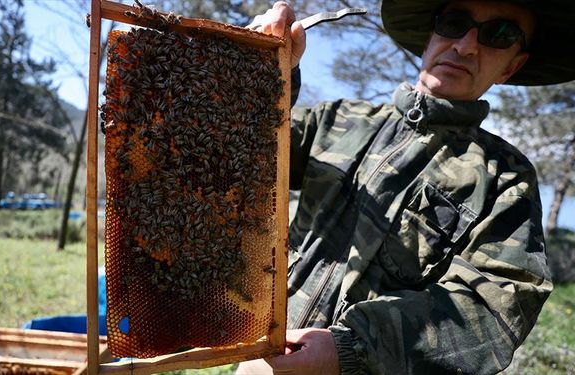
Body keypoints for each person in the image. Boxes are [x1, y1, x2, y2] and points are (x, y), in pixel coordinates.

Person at [238, 0, 575, 373]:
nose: (465, 45)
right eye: (454, 22)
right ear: (432, 34)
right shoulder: (335, 120)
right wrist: (260, 67)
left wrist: (351, 348)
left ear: (513, 65)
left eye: (499, 34)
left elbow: (499, 302)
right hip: (262, 357)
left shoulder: (506, 177)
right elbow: (238, 156)